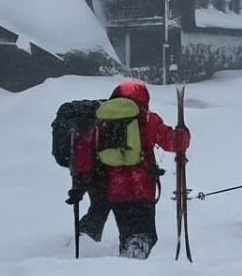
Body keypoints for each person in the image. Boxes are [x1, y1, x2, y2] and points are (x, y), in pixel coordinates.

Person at [73, 79, 189, 258]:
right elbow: (173, 142)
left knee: (126, 234)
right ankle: (131, 264)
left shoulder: (101, 121)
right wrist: (183, 134)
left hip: (115, 192)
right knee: (144, 234)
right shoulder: (148, 119)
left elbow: (89, 152)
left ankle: (125, 269)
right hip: (142, 191)